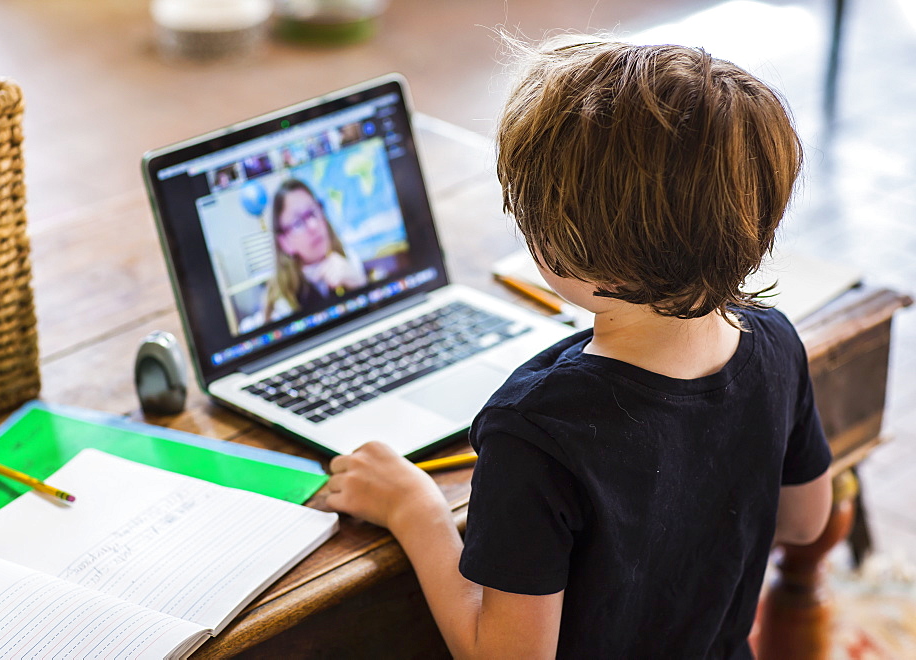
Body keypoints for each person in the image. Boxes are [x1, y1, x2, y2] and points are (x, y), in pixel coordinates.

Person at [326, 37, 833, 658]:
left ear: (561, 249)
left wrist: (416, 511)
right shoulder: (775, 340)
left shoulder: (536, 429)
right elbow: (805, 520)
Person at [262, 178, 366, 322]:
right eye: (298, 222)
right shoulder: (281, 304)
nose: (313, 225)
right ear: (284, 242)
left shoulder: (350, 259)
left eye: (312, 212)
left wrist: (361, 285)